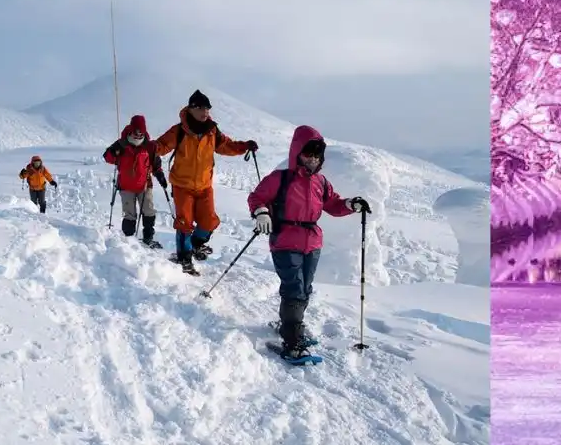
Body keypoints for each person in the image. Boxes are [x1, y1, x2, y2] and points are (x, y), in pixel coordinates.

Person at [246, 124, 371, 361]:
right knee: (294, 287)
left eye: (317, 155)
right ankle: (292, 342)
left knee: (304, 288)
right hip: (284, 240)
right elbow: (257, 197)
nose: (312, 159)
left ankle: (291, 325)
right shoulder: (280, 178)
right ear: (297, 153)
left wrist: (350, 205)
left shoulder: (321, 182)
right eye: (308, 153)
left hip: (312, 243)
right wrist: (261, 212)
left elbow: (332, 204)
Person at [154, 89, 258, 274]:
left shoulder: (212, 131)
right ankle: (184, 258)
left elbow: (227, 146)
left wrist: (245, 146)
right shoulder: (179, 131)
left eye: (208, 109)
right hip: (182, 185)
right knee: (184, 222)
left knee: (209, 221)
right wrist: (151, 147)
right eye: (201, 108)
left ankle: (195, 245)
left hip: (204, 186)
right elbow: (161, 145)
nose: (205, 113)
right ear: (191, 109)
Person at [103, 114, 168, 247]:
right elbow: (108, 157)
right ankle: (129, 241)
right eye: (136, 133)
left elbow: (156, 164)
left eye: (141, 133)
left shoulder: (149, 146)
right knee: (130, 214)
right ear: (131, 130)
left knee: (148, 210)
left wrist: (160, 175)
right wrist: (113, 150)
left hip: (144, 185)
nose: (138, 136)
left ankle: (148, 238)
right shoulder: (122, 144)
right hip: (126, 186)